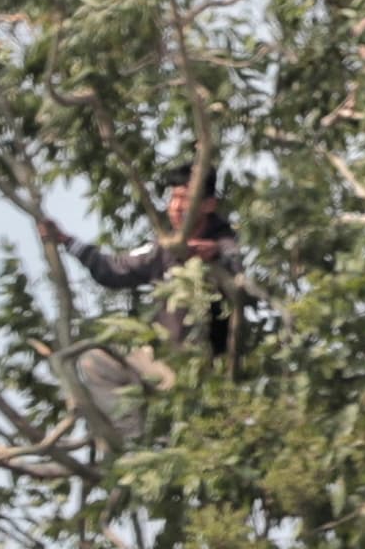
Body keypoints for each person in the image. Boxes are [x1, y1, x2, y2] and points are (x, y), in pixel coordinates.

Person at [41, 181, 238, 440]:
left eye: (185, 199)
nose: (177, 207)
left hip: (204, 368)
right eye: (173, 199)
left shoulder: (227, 243)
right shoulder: (162, 249)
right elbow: (113, 268)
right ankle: (130, 439)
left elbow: (237, 264)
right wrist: (67, 241)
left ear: (208, 205)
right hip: (159, 359)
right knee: (95, 361)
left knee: (198, 431)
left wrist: (216, 256)